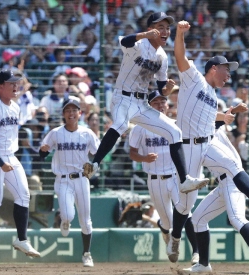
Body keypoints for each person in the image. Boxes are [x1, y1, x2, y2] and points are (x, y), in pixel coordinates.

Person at [170, 20, 249, 265]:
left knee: (231, 163)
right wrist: (180, 34)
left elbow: (211, 118)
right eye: (227, 69)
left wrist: (227, 114)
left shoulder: (213, 97)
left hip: (206, 144)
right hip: (189, 148)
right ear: (214, 68)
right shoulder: (194, 79)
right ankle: (175, 237)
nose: (229, 75)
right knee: (185, 207)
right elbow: (179, 55)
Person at [82, 12, 209, 195]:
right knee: (121, 124)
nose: (165, 31)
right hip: (122, 99)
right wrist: (144, 35)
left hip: (141, 104)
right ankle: (94, 164)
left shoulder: (162, 57)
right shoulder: (138, 44)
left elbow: (160, 88)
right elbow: (124, 41)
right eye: (160, 27)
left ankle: (184, 180)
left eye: (167, 28)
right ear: (151, 29)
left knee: (175, 132)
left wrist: (167, 90)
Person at [179, 126, 249, 275]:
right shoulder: (202, 135)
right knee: (197, 219)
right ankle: (203, 264)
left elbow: (215, 122)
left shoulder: (209, 131)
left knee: (236, 218)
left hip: (232, 181)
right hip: (222, 184)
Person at [0, 70, 40, 262]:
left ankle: (22, 239)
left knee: (24, 195)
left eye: (16, 82)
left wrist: (6, 160)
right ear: (0, 87)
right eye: (11, 83)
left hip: (9, 155)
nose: (15, 85)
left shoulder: (15, 107)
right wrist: (1, 163)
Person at [128, 90, 199, 265]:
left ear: (167, 104)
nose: (160, 105)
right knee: (167, 221)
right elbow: (132, 153)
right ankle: (165, 231)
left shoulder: (175, 125)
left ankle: (196, 252)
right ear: (149, 105)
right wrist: (144, 158)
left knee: (186, 212)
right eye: (156, 102)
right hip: (155, 178)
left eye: (163, 102)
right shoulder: (140, 127)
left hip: (175, 177)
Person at [39, 98, 100, 267]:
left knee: (85, 220)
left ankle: (86, 253)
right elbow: (43, 153)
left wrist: (93, 167)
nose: (71, 113)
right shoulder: (56, 133)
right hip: (63, 179)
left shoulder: (87, 133)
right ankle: (63, 220)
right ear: (64, 114)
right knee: (68, 215)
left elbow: (98, 154)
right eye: (68, 110)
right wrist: (43, 151)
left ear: (80, 113)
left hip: (81, 179)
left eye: (74, 110)